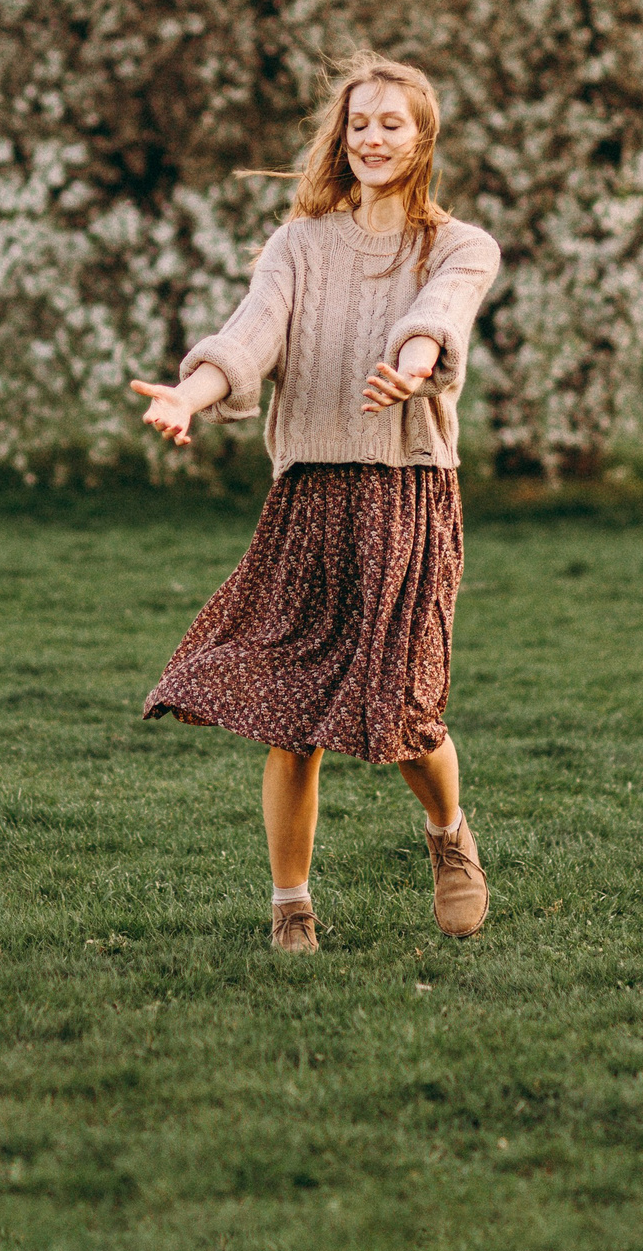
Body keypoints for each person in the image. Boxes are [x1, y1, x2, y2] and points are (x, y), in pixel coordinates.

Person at [131, 52, 502, 954]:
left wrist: (415, 364)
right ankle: (289, 903)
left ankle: (449, 835)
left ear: (422, 140)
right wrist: (193, 389)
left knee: (404, 709)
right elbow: (254, 328)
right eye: (359, 123)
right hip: (310, 498)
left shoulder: (458, 243)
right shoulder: (298, 243)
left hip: (408, 494)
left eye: (392, 124)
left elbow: (444, 311)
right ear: (342, 135)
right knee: (291, 714)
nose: (373, 138)